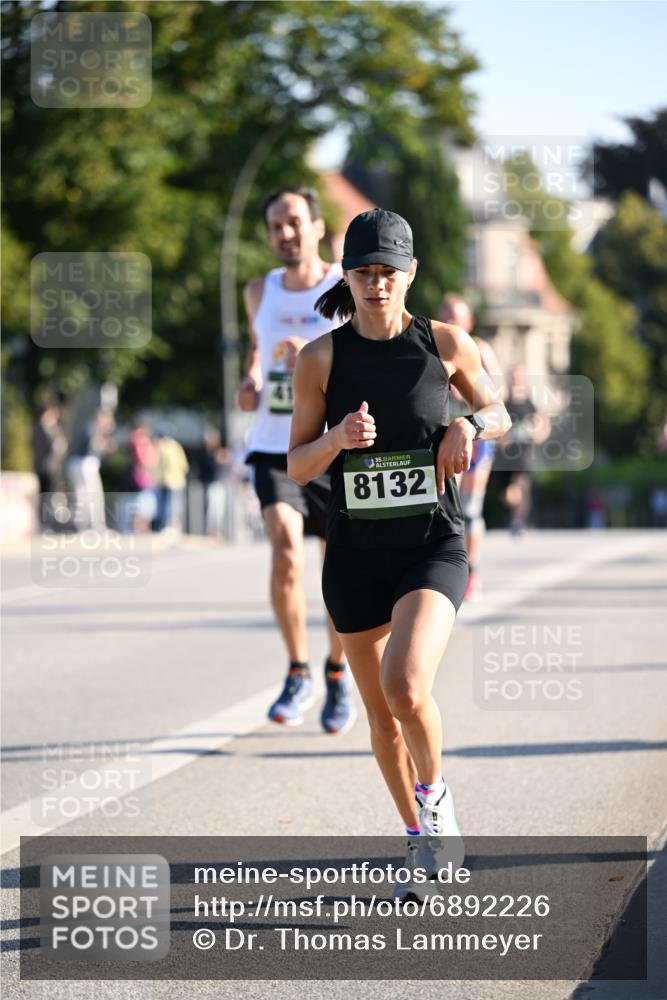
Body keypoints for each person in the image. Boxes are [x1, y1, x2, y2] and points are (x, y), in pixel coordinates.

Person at [287, 209, 510, 892]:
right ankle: (418, 840)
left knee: (405, 685)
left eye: (387, 272)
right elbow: (295, 465)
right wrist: (336, 441)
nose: (375, 285)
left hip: (429, 544)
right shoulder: (319, 358)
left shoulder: (445, 343)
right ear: (346, 276)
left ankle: (436, 804)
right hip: (354, 553)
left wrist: (469, 424)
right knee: (381, 719)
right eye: (362, 273)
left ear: (408, 273)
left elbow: (499, 410)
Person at [237, 185, 355, 734]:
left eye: (293, 223)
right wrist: (251, 382)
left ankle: (336, 672)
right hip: (273, 447)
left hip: (333, 446)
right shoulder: (258, 291)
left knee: (338, 569)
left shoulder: (344, 285)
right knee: (287, 556)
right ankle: (297, 670)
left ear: (317, 227)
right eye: (275, 227)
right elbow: (256, 362)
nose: (284, 234)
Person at [440, 295, 506, 601]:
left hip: (476, 436)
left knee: (470, 507)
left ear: (469, 321)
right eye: (447, 314)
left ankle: (472, 570)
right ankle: (447, 565)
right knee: (445, 503)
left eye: (457, 315)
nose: (452, 319)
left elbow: (498, 392)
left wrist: (469, 388)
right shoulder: (436, 343)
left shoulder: (477, 347)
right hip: (443, 435)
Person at [496, 364, 550, 535]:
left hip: (524, 455)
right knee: (508, 495)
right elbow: (495, 426)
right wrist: (500, 439)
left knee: (521, 488)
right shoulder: (504, 402)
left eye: (519, 376)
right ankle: (514, 516)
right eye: (513, 376)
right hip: (505, 457)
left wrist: (540, 435)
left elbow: (543, 424)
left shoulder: (530, 403)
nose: (516, 379)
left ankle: (518, 522)